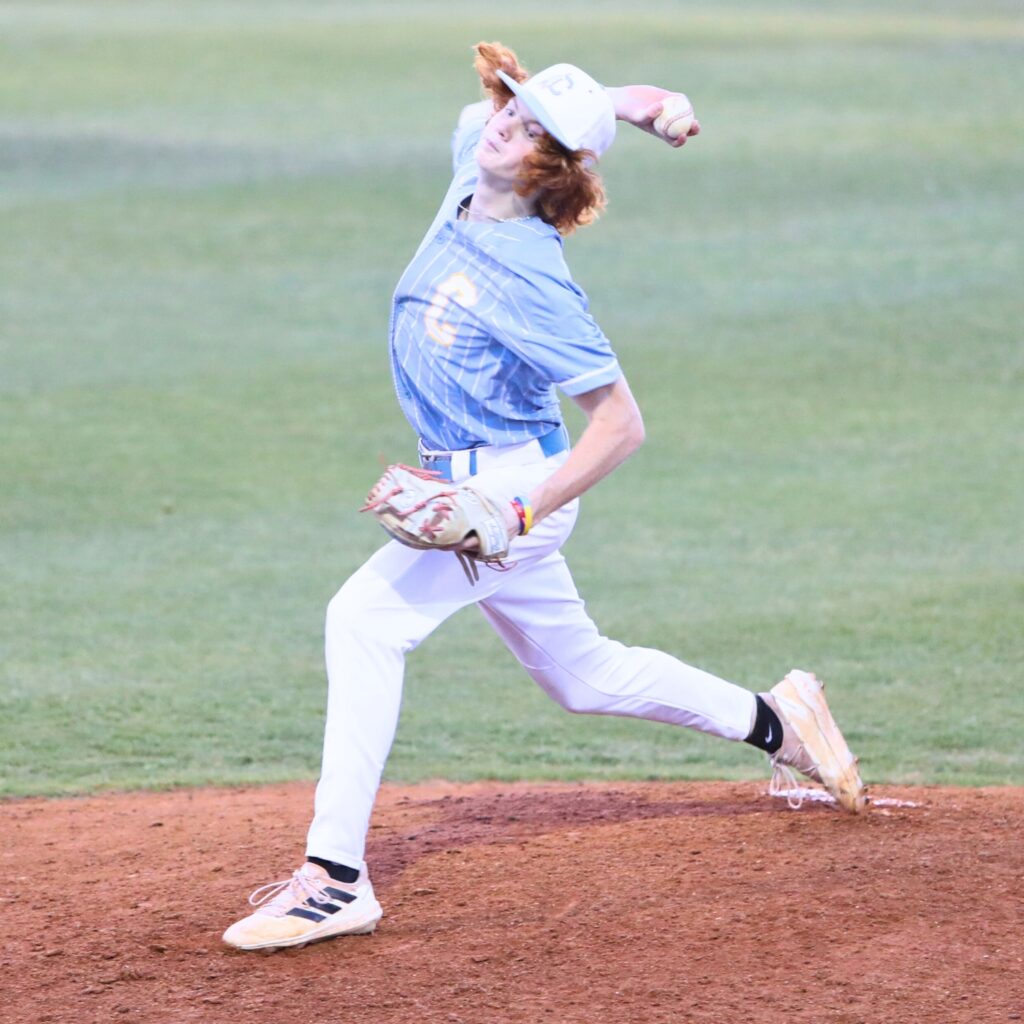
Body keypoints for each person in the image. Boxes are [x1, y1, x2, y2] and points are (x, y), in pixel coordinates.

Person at [223, 42, 865, 953]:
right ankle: (778, 718)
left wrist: (517, 515)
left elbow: (621, 424)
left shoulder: (533, 276)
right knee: (581, 674)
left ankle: (334, 880)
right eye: (511, 110)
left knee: (363, 619)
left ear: (550, 172)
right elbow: (572, 106)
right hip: (469, 480)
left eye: (530, 130)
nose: (504, 125)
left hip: (518, 487)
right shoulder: (472, 166)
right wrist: (648, 102)